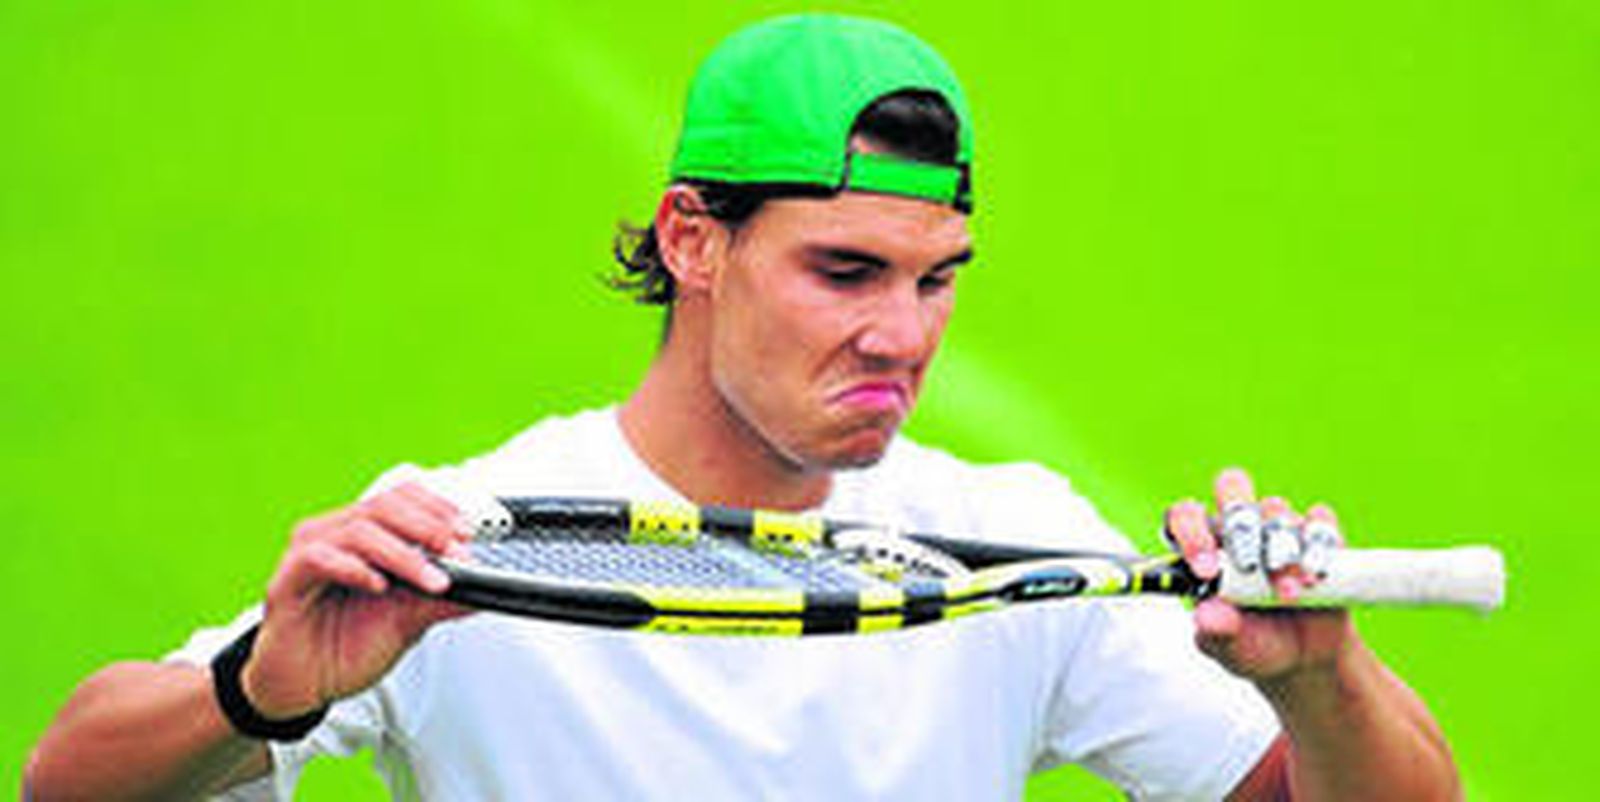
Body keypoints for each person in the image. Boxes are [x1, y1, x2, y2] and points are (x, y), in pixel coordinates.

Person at [26, 14, 1460, 801]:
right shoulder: (463, 539)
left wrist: (1317, 681)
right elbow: (65, 786)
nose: (904, 336)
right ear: (692, 241)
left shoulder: (1017, 535)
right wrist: (259, 689)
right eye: (845, 272)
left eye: (937, 279)